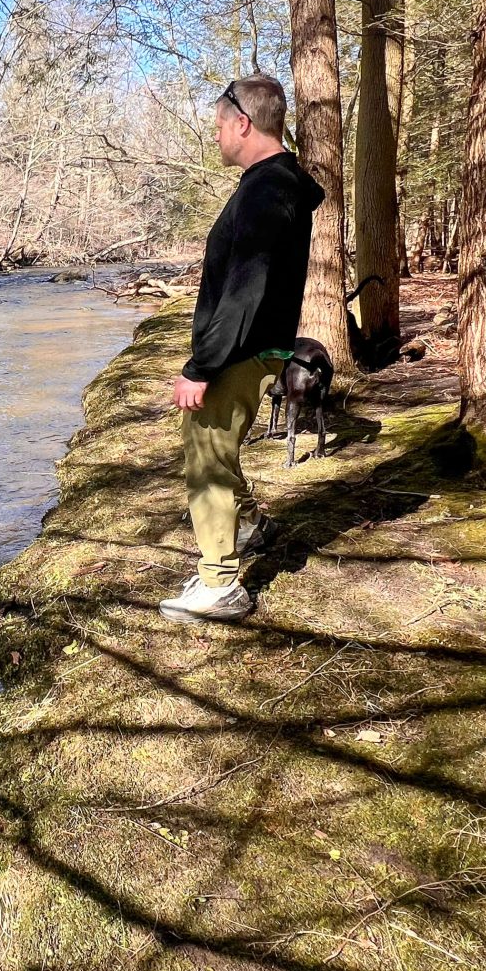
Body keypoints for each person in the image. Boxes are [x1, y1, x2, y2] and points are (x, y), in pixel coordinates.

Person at [158, 73, 325, 625]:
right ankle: (250, 523)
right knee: (217, 448)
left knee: (206, 454)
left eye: (219, 125)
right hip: (257, 346)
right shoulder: (275, 185)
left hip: (240, 350)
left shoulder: (265, 189)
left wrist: (201, 365)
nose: (216, 136)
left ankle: (220, 583)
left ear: (244, 123)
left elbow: (245, 289)